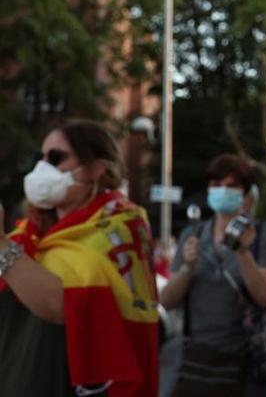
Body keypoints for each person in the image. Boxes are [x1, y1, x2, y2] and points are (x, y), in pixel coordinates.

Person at [0, 119, 159, 396]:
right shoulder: (28, 233)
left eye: (56, 157)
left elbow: (62, 304)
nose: (43, 168)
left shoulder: (120, 226)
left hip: (70, 378)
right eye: (42, 157)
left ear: (96, 168)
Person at [160, 154, 266, 397]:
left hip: (245, 362)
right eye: (216, 185)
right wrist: (187, 267)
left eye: (231, 186)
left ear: (247, 195)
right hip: (198, 357)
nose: (222, 191)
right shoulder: (193, 234)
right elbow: (166, 300)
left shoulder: (263, 235)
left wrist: (243, 253)